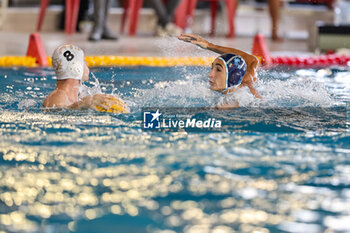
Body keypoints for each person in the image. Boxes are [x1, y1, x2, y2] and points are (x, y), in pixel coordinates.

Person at [178, 33, 262, 108]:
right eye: (212, 68)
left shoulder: (243, 95)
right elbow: (253, 60)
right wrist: (209, 45)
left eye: (218, 70)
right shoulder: (245, 79)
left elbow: (236, 103)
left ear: (232, 76)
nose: (210, 75)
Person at [43, 44, 127, 113]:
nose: (86, 63)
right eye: (83, 60)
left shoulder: (72, 98)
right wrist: (85, 103)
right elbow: (56, 112)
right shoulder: (58, 95)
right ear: (76, 66)